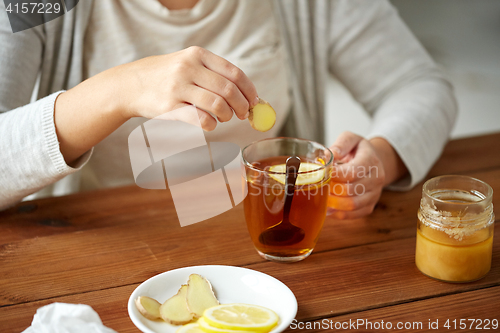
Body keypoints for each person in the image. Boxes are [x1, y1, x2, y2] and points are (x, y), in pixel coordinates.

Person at [0, 0, 457, 218]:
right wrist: (121, 88)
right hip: (100, 245)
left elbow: (419, 85)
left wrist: (381, 156)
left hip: (269, 238)